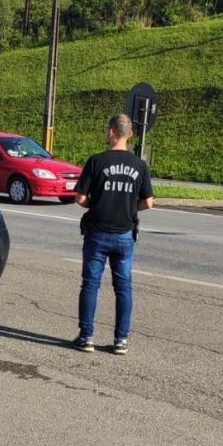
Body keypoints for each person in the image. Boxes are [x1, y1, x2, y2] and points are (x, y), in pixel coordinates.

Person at [73, 113, 154, 354]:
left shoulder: (96, 161)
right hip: (125, 235)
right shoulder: (139, 165)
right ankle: (121, 340)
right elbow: (148, 202)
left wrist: (95, 205)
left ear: (111, 132)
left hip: (97, 233)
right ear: (129, 134)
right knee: (123, 287)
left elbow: (80, 198)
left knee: (90, 285)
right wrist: (129, 207)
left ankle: (86, 337)